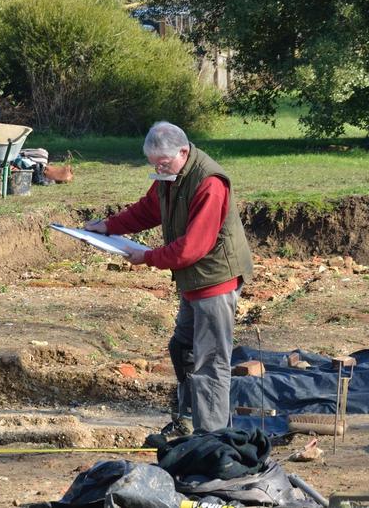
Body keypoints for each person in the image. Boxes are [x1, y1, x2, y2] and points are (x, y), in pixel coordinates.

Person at [85, 121, 253, 435]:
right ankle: (188, 421)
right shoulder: (170, 175)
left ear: (183, 152)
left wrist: (147, 257)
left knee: (210, 362)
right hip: (193, 280)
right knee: (182, 348)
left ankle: (211, 437)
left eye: (163, 164)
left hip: (215, 280)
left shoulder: (210, 183)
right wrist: (108, 226)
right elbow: (149, 209)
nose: (159, 171)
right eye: (154, 165)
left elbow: (192, 248)